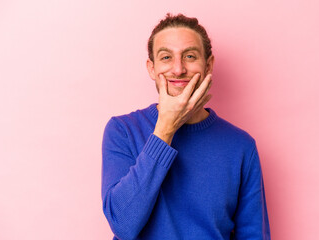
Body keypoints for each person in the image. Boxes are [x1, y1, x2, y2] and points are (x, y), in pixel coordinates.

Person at [101, 13, 271, 240]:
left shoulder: (241, 146)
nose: (178, 69)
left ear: (208, 65)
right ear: (151, 68)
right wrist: (165, 129)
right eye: (166, 57)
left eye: (190, 56)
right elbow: (122, 225)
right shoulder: (122, 131)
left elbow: (254, 235)